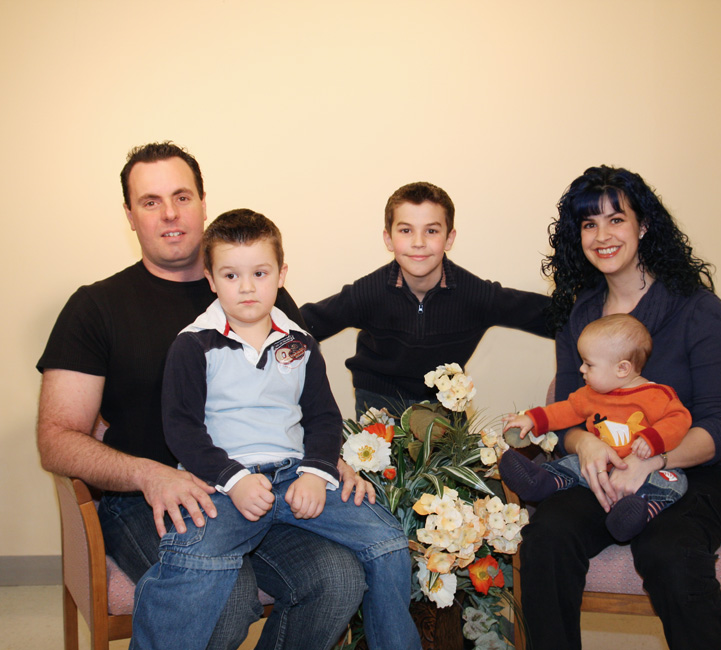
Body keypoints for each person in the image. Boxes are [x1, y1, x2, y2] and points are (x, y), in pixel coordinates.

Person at [36, 142, 372, 650]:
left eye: (182, 197)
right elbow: (56, 438)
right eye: (150, 201)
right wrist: (149, 474)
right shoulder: (96, 307)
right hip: (149, 502)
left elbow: (306, 401)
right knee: (224, 598)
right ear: (129, 215)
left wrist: (325, 461)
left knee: (340, 579)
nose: (170, 214)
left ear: (202, 202)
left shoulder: (260, 290)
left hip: (263, 489)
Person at [130, 209, 420, 650]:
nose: (247, 287)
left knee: (388, 543)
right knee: (194, 561)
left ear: (281, 275)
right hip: (224, 486)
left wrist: (316, 472)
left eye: (260, 273)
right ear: (211, 279)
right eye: (231, 275)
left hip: (295, 477)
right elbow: (181, 429)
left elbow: (323, 417)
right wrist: (235, 480)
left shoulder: (299, 343)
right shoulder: (193, 344)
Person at [520, 166, 721, 650]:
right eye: (589, 224)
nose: (602, 235)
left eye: (616, 219)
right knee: (546, 536)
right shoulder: (578, 314)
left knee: (668, 551)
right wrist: (584, 445)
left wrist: (654, 461)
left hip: (691, 473)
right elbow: (567, 411)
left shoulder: (696, 308)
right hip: (604, 473)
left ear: (643, 226)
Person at [300, 181, 554, 416]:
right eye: (406, 230)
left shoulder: (475, 294)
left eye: (431, 230)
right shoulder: (367, 292)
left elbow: (551, 317)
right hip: (378, 406)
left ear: (449, 238)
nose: (418, 242)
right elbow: (302, 324)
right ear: (388, 239)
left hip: (444, 407)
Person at [499, 313, 691, 542]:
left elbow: (679, 419)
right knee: (572, 463)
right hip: (598, 469)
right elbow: (564, 410)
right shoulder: (590, 394)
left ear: (622, 368)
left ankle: (635, 514)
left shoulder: (656, 395)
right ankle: (540, 482)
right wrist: (532, 419)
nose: (581, 369)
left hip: (642, 472)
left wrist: (653, 439)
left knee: (673, 481)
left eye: (589, 364)